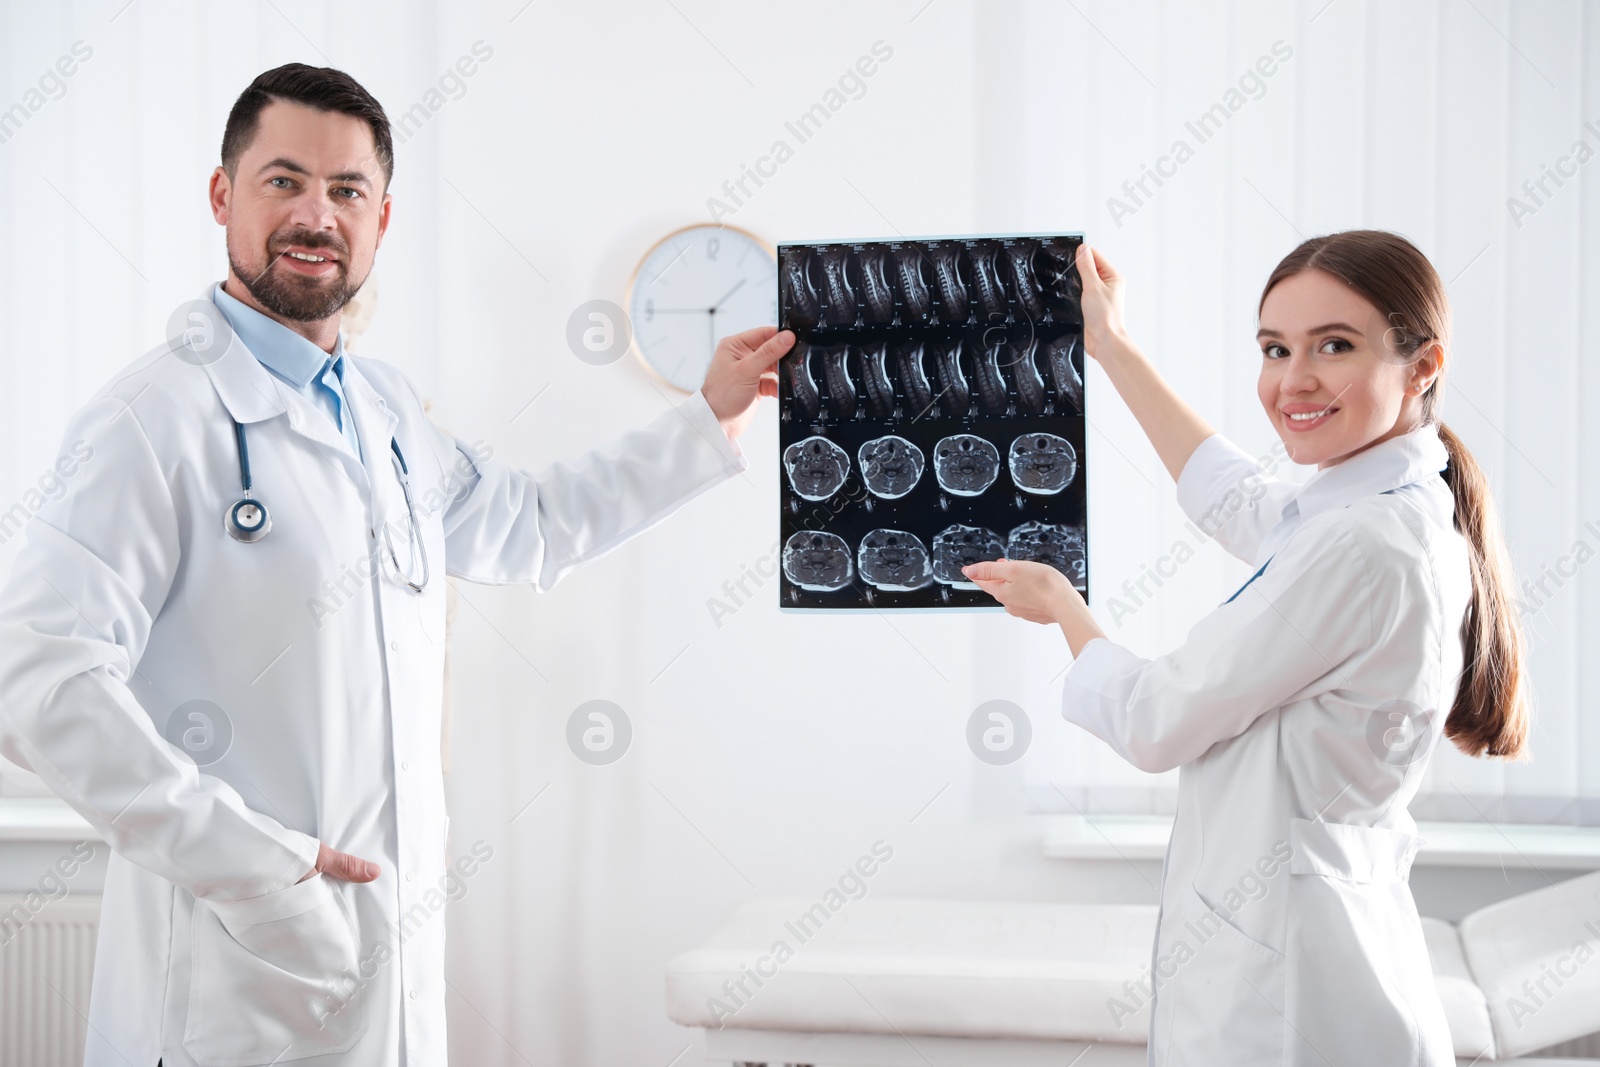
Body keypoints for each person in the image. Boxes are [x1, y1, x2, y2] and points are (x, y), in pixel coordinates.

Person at [0, 63, 792, 1067]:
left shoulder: (382, 411)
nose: (315, 214)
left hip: (383, 953)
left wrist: (708, 415)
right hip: (230, 976)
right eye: (282, 181)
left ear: (382, 217)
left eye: (346, 190)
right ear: (221, 196)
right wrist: (256, 865)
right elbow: (37, 682)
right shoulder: (149, 420)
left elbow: (531, 521)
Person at [966, 231, 1530, 1064]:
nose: (1292, 380)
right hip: (1318, 960)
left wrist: (1064, 611)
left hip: (1289, 996)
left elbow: (1157, 719)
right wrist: (1110, 347)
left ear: (1422, 364)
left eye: (1334, 345)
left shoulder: (1364, 543)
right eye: (1275, 348)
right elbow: (1240, 500)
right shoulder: (1381, 509)